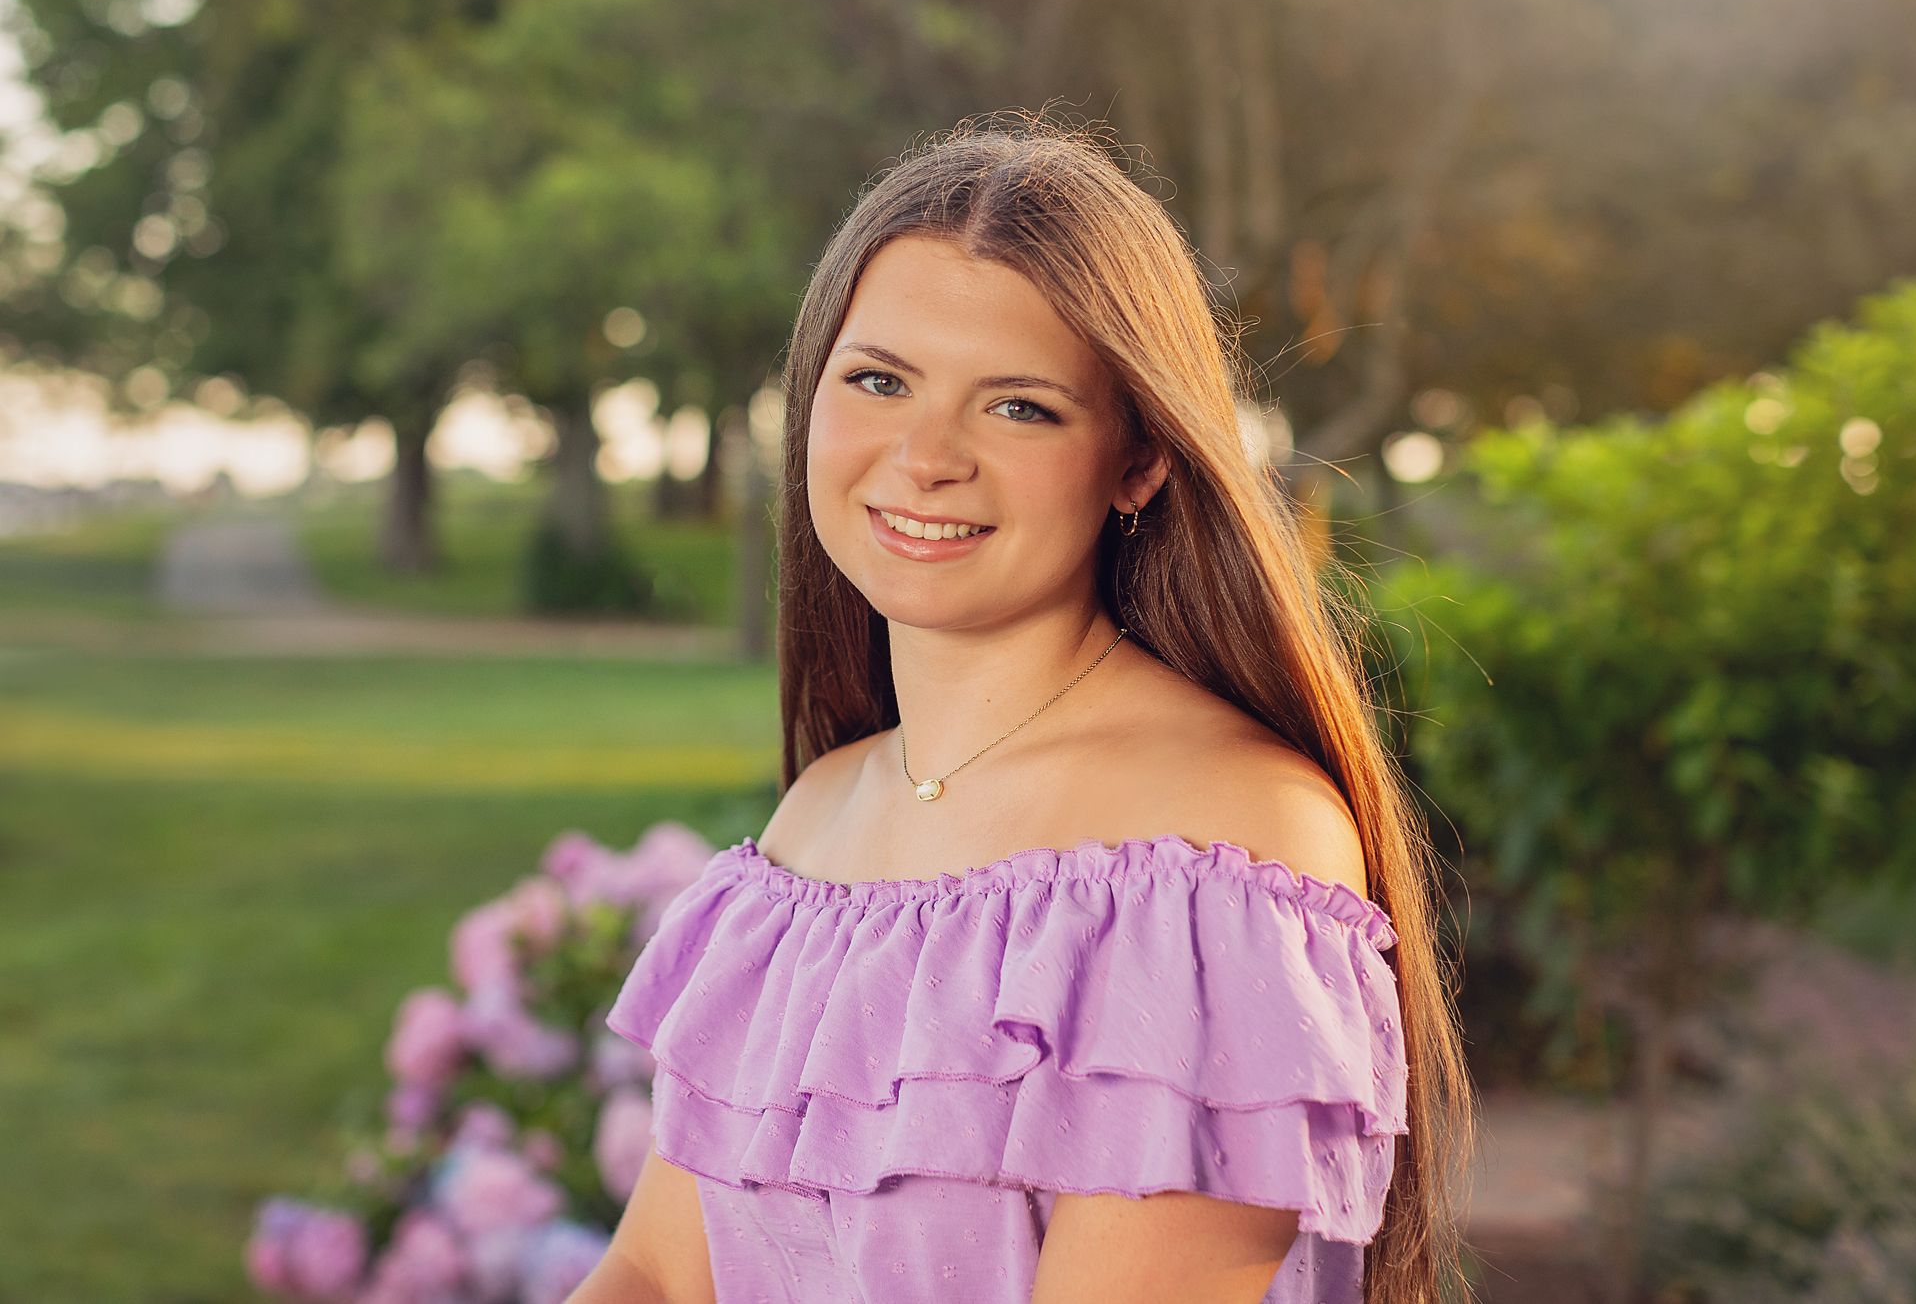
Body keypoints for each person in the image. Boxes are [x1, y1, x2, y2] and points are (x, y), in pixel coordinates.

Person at [571, 123, 1469, 1304]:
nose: (925, 455)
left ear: (1139, 459)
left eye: (1019, 408)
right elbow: (653, 1271)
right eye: (878, 380)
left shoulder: (1223, 844)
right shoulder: (816, 819)